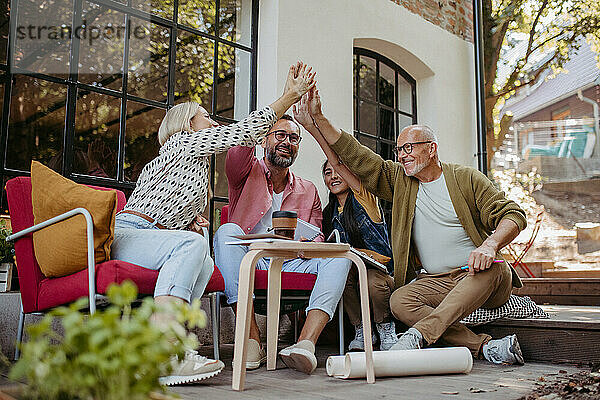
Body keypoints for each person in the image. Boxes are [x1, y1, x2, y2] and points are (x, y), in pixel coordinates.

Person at [110, 62, 316, 385]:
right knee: (193, 245)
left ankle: (174, 347)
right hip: (130, 235)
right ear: (187, 125)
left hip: (148, 238)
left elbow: (162, 208)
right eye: (205, 116)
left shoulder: (188, 162)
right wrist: (289, 96)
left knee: (204, 263)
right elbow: (244, 133)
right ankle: (164, 349)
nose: (213, 121)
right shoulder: (183, 143)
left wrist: (186, 223)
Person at [295, 87, 527, 365]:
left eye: (409, 148)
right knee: (400, 301)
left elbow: (513, 214)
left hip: (481, 277)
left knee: (495, 267)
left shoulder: (466, 178)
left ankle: (416, 336)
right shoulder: (400, 182)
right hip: (437, 281)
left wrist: (490, 245)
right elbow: (355, 155)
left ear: (431, 149)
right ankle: (485, 348)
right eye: (398, 150)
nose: (402, 155)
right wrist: (318, 118)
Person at [214, 113, 352, 375]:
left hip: (293, 261)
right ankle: (252, 338)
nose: (287, 142)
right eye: (279, 134)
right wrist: (283, 102)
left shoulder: (308, 188)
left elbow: (317, 236)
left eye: (293, 138)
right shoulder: (243, 173)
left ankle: (305, 344)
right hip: (250, 259)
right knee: (226, 231)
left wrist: (306, 242)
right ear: (264, 138)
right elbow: (237, 151)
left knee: (340, 255)